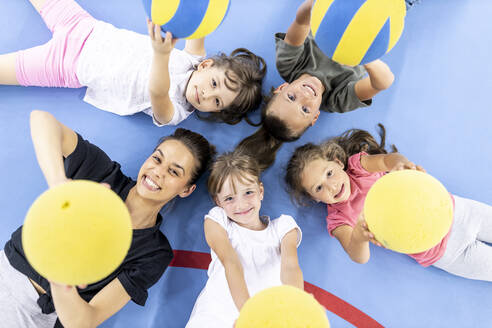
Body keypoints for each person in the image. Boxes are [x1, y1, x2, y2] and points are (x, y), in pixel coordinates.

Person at [0, 110, 216, 327]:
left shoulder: (154, 254)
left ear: (186, 190)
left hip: (45, 318)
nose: (158, 172)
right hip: (8, 278)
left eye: (174, 172)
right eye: (157, 159)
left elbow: (84, 321)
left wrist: (61, 278)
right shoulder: (103, 175)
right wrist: (58, 184)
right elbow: (41, 119)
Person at [0, 0, 266, 126]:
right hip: (87, 28)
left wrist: (161, 56)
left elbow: (157, 92)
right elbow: (199, 22)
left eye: (216, 102)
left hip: (67, 66)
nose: (207, 94)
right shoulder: (193, 59)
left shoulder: (176, 112)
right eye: (214, 84)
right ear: (206, 66)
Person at [284, 124, 492, 282]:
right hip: (444, 251)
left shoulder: (358, 167)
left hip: (458, 212)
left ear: (338, 163)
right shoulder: (338, 219)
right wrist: (358, 236)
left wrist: (401, 165)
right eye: (319, 188)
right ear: (314, 198)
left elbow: (387, 160)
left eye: (329, 173)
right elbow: (358, 256)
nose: (331, 186)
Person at [236, 0, 394, 170]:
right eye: (305, 110)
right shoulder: (337, 100)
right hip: (378, 23)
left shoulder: (288, 63)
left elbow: (302, 20)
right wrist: (363, 57)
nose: (304, 96)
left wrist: (321, 4)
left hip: (338, 8)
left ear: (281, 88)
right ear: (315, 116)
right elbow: (384, 82)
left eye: (291, 97)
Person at [186, 151, 303, 327]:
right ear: (218, 201)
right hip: (216, 317)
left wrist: (294, 306)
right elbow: (231, 262)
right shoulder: (218, 220)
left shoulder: (283, 228)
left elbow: (290, 267)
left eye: (248, 192)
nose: (240, 205)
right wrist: (248, 314)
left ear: (260, 191)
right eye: (229, 198)